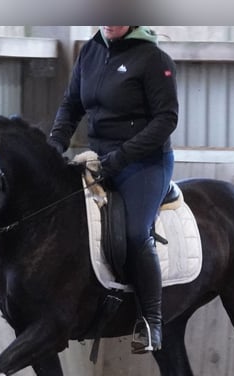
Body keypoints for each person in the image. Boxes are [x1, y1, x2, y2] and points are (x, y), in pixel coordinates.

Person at [48, 26, 179, 354]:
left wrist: (120, 158)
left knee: (136, 233)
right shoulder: (90, 53)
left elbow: (166, 119)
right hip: (99, 158)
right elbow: (71, 106)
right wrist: (53, 146)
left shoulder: (153, 58)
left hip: (144, 163)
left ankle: (151, 322)